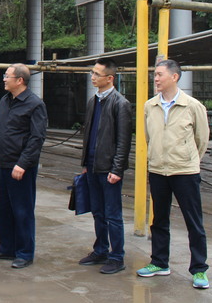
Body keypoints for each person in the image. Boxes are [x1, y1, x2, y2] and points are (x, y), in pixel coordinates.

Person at [137, 59, 211, 290]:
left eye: (160, 74)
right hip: (158, 170)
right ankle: (159, 262)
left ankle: (199, 269)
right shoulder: (150, 106)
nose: (156, 78)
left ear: (174, 77)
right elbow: (148, 136)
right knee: (159, 219)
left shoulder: (192, 106)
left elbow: (202, 139)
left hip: (185, 171)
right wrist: (156, 157)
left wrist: (188, 160)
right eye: (155, 74)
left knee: (193, 221)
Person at [0, 63, 48, 269]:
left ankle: (24, 253)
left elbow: (37, 138)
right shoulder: (5, 100)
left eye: (7, 76)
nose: (4, 79)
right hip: (3, 164)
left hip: (21, 168)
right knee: (2, 210)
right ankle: (7, 248)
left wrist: (23, 163)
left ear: (20, 80)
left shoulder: (35, 104)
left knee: (22, 211)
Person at [77, 58, 133, 274]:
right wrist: (85, 163)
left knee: (113, 214)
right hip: (92, 166)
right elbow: (89, 135)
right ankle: (100, 250)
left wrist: (117, 169)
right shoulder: (93, 101)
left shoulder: (121, 104)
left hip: (109, 169)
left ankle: (117, 257)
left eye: (97, 74)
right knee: (98, 212)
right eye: (92, 73)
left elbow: (123, 141)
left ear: (110, 78)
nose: (92, 77)